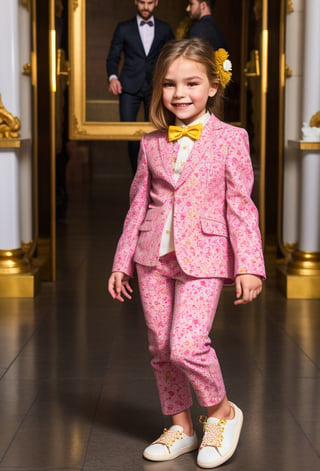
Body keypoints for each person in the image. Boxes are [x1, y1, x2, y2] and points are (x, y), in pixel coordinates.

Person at [108, 38, 265, 468]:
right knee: (160, 346)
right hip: (152, 258)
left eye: (192, 83)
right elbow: (138, 204)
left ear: (213, 85)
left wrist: (250, 264)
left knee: (187, 344)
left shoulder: (232, 139)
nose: (180, 93)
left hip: (206, 256)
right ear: (159, 89)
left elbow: (241, 206)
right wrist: (122, 261)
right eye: (170, 84)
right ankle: (182, 425)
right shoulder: (151, 142)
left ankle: (221, 412)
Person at [106, 0, 174, 174]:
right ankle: (137, 174)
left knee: (157, 130)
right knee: (130, 134)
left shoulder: (165, 29)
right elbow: (113, 56)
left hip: (155, 86)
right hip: (128, 86)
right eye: (142, 2)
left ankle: (154, 173)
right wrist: (113, 78)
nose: (145, 7)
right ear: (136, 2)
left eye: (150, 3)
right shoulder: (123, 28)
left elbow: (172, 57)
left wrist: (170, 82)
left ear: (156, 2)